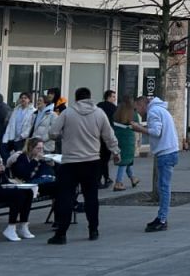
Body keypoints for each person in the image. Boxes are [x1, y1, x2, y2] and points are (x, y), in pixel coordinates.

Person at [47, 87, 119, 244]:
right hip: (92, 161)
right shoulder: (99, 113)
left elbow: (52, 132)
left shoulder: (68, 113)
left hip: (70, 162)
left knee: (65, 197)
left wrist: (63, 135)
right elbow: (108, 134)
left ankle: (61, 233)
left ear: (76, 98)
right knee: (91, 197)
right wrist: (115, 151)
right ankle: (93, 229)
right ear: (90, 97)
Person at [132, 93, 179, 232]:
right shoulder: (160, 109)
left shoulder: (153, 111)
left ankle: (162, 219)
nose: (138, 112)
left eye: (137, 109)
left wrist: (139, 128)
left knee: (164, 187)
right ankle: (161, 217)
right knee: (163, 186)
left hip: (166, 152)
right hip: (170, 150)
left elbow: (156, 132)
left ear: (142, 104)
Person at [112, 96, 139, 189]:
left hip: (118, 137)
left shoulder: (117, 113)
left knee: (126, 159)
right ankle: (118, 183)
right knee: (124, 161)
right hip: (128, 138)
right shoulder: (133, 114)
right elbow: (137, 125)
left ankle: (133, 178)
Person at [1, 92, 35, 158]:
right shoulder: (16, 110)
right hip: (13, 138)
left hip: (23, 139)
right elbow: (10, 125)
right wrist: (6, 137)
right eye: (21, 98)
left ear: (29, 100)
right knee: (8, 155)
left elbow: (31, 126)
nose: (23, 99)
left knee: (20, 157)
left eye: (25, 98)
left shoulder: (33, 111)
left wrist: (23, 135)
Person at [97, 90, 118, 187]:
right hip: (108, 135)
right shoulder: (113, 108)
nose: (115, 98)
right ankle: (103, 179)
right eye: (113, 96)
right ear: (108, 97)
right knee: (104, 159)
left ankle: (102, 178)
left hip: (97, 135)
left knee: (99, 158)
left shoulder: (98, 106)